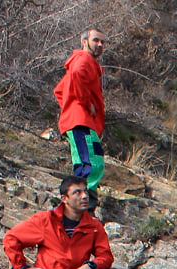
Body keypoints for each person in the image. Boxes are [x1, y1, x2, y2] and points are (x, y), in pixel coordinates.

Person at [54, 29, 107, 211]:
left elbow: (60, 91)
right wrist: (84, 103)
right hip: (82, 122)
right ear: (84, 41)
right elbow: (77, 74)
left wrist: (70, 107)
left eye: (102, 42)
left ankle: (81, 205)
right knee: (91, 164)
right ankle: (83, 208)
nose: (100, 45)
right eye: (96, 40)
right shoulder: (84, 60)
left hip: (80, 122)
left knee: (89, 162)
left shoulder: (80, 62)